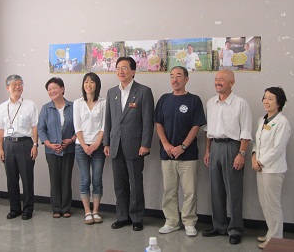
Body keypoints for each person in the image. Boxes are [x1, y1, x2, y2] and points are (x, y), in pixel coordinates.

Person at [103, 56, 154, 232]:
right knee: (120, 184)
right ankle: (122, 216)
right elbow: (108, 120)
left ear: (133, 71)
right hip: (116, 145)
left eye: (124, 68)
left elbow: (148, 120)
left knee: (136, 183)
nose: (121, 71)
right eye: (118, 68)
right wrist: (106, 142)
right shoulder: (112, 92)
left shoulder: (143, 91)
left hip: (135, 146)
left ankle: (137, 218)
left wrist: (145, 143)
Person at [155, 66, 206, 237]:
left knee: (189, 191)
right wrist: (166, 145)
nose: (175, 80)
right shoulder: (163, 99)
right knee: (169, 190)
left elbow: (196, 125)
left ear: (186, 79)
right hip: (167, 154)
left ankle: (189, 222)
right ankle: (171, 221)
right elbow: (158, 124)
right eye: (172, 76)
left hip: (188, 155)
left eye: (178, 76)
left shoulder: (194, 100)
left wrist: (182, 147)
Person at [202, 69, 252, 245]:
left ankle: (235, 229)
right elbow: (208, 130)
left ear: (232, 82)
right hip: (215, 146)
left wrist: (241, 154)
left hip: (233, 148)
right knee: (216, 189)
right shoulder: (211, 103)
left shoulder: (241, 104)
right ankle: (219, 225)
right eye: (216, 79)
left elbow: (246, 131)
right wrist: (207, 150)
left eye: (222, 79)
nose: (218, 82)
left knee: (234, 191)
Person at [0, 75, 39, 220]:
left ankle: (27, 209)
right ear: (8, 88)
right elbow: (0, 130)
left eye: (20, 84)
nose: (18, 87)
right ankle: (14, 209)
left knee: (27, 178)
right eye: (14, 84)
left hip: (25, 143)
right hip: (8, 144)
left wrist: (35, 145)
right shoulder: (1, 107)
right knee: (11, 178)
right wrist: (0, 148)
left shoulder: (30, 105)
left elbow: (35, 126)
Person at [252, 87, 291, 249]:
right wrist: (254, 157)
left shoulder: (282, 122)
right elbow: (257, 143)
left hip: (273, 169)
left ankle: (276, 239)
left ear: (279, 102)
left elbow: (277, 148)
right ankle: (270, 233)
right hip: (260, 168)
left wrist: (260, 162)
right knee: (265, 203)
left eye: (270, 99)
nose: (266, 101)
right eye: (265, 98)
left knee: (273, 205)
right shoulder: (263, 120)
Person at [38, 77, 76, 218]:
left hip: (69, 149)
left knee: (66, 178)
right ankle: (56, 208)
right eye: (49, 89)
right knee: (54, 178)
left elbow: (79, 128)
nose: (52, 91)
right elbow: (41, 129)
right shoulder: (45, 108)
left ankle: (66, 208)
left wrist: (71, 140)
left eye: (54, 88)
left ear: (62, 89)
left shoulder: (73, 106)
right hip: (51, 150)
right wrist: (49, 144)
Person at [73, 73, 106, 225]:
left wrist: (97, 144)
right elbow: (77, 127)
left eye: (92, 82)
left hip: (98, 147)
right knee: (85, 180)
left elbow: (104, 126)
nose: (88, 85)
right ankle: (87, 212)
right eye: (86, 82)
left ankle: (96, 211)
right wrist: (85, 145)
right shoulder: (78, 103)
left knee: (97, 179)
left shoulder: (103, 102)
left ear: (97, 85)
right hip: (81, 147)